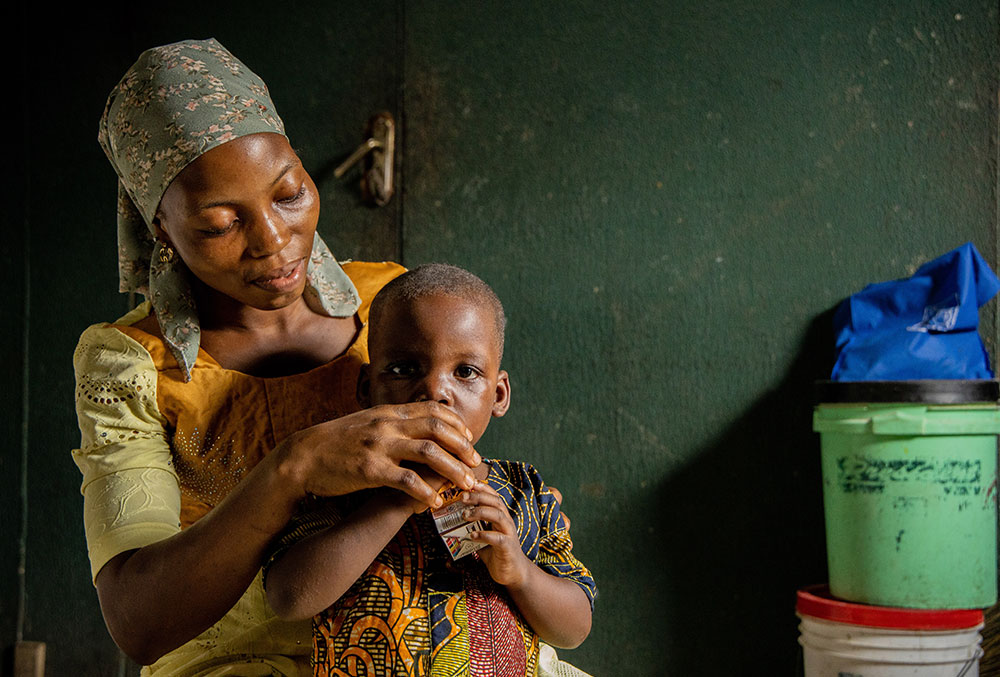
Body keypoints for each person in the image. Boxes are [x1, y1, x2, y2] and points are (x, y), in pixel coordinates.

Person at [74, 39, 484, 676]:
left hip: (420, 641)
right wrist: (292, 468)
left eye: (289, 195)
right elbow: (139, 622)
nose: (273, 241)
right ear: (162, 227)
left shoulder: (391, 305)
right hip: (241, 659)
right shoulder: (129, 363)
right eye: (219, 224)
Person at [264, 264, 596, 676]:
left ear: (498, 395)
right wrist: (396, 500)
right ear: (368, 389)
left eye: (465, 372)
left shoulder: (525, 492)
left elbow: (575, 627)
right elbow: (288, 598)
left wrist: (520, 572)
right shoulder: (341, 484)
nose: (436, 391)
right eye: (404, 369)